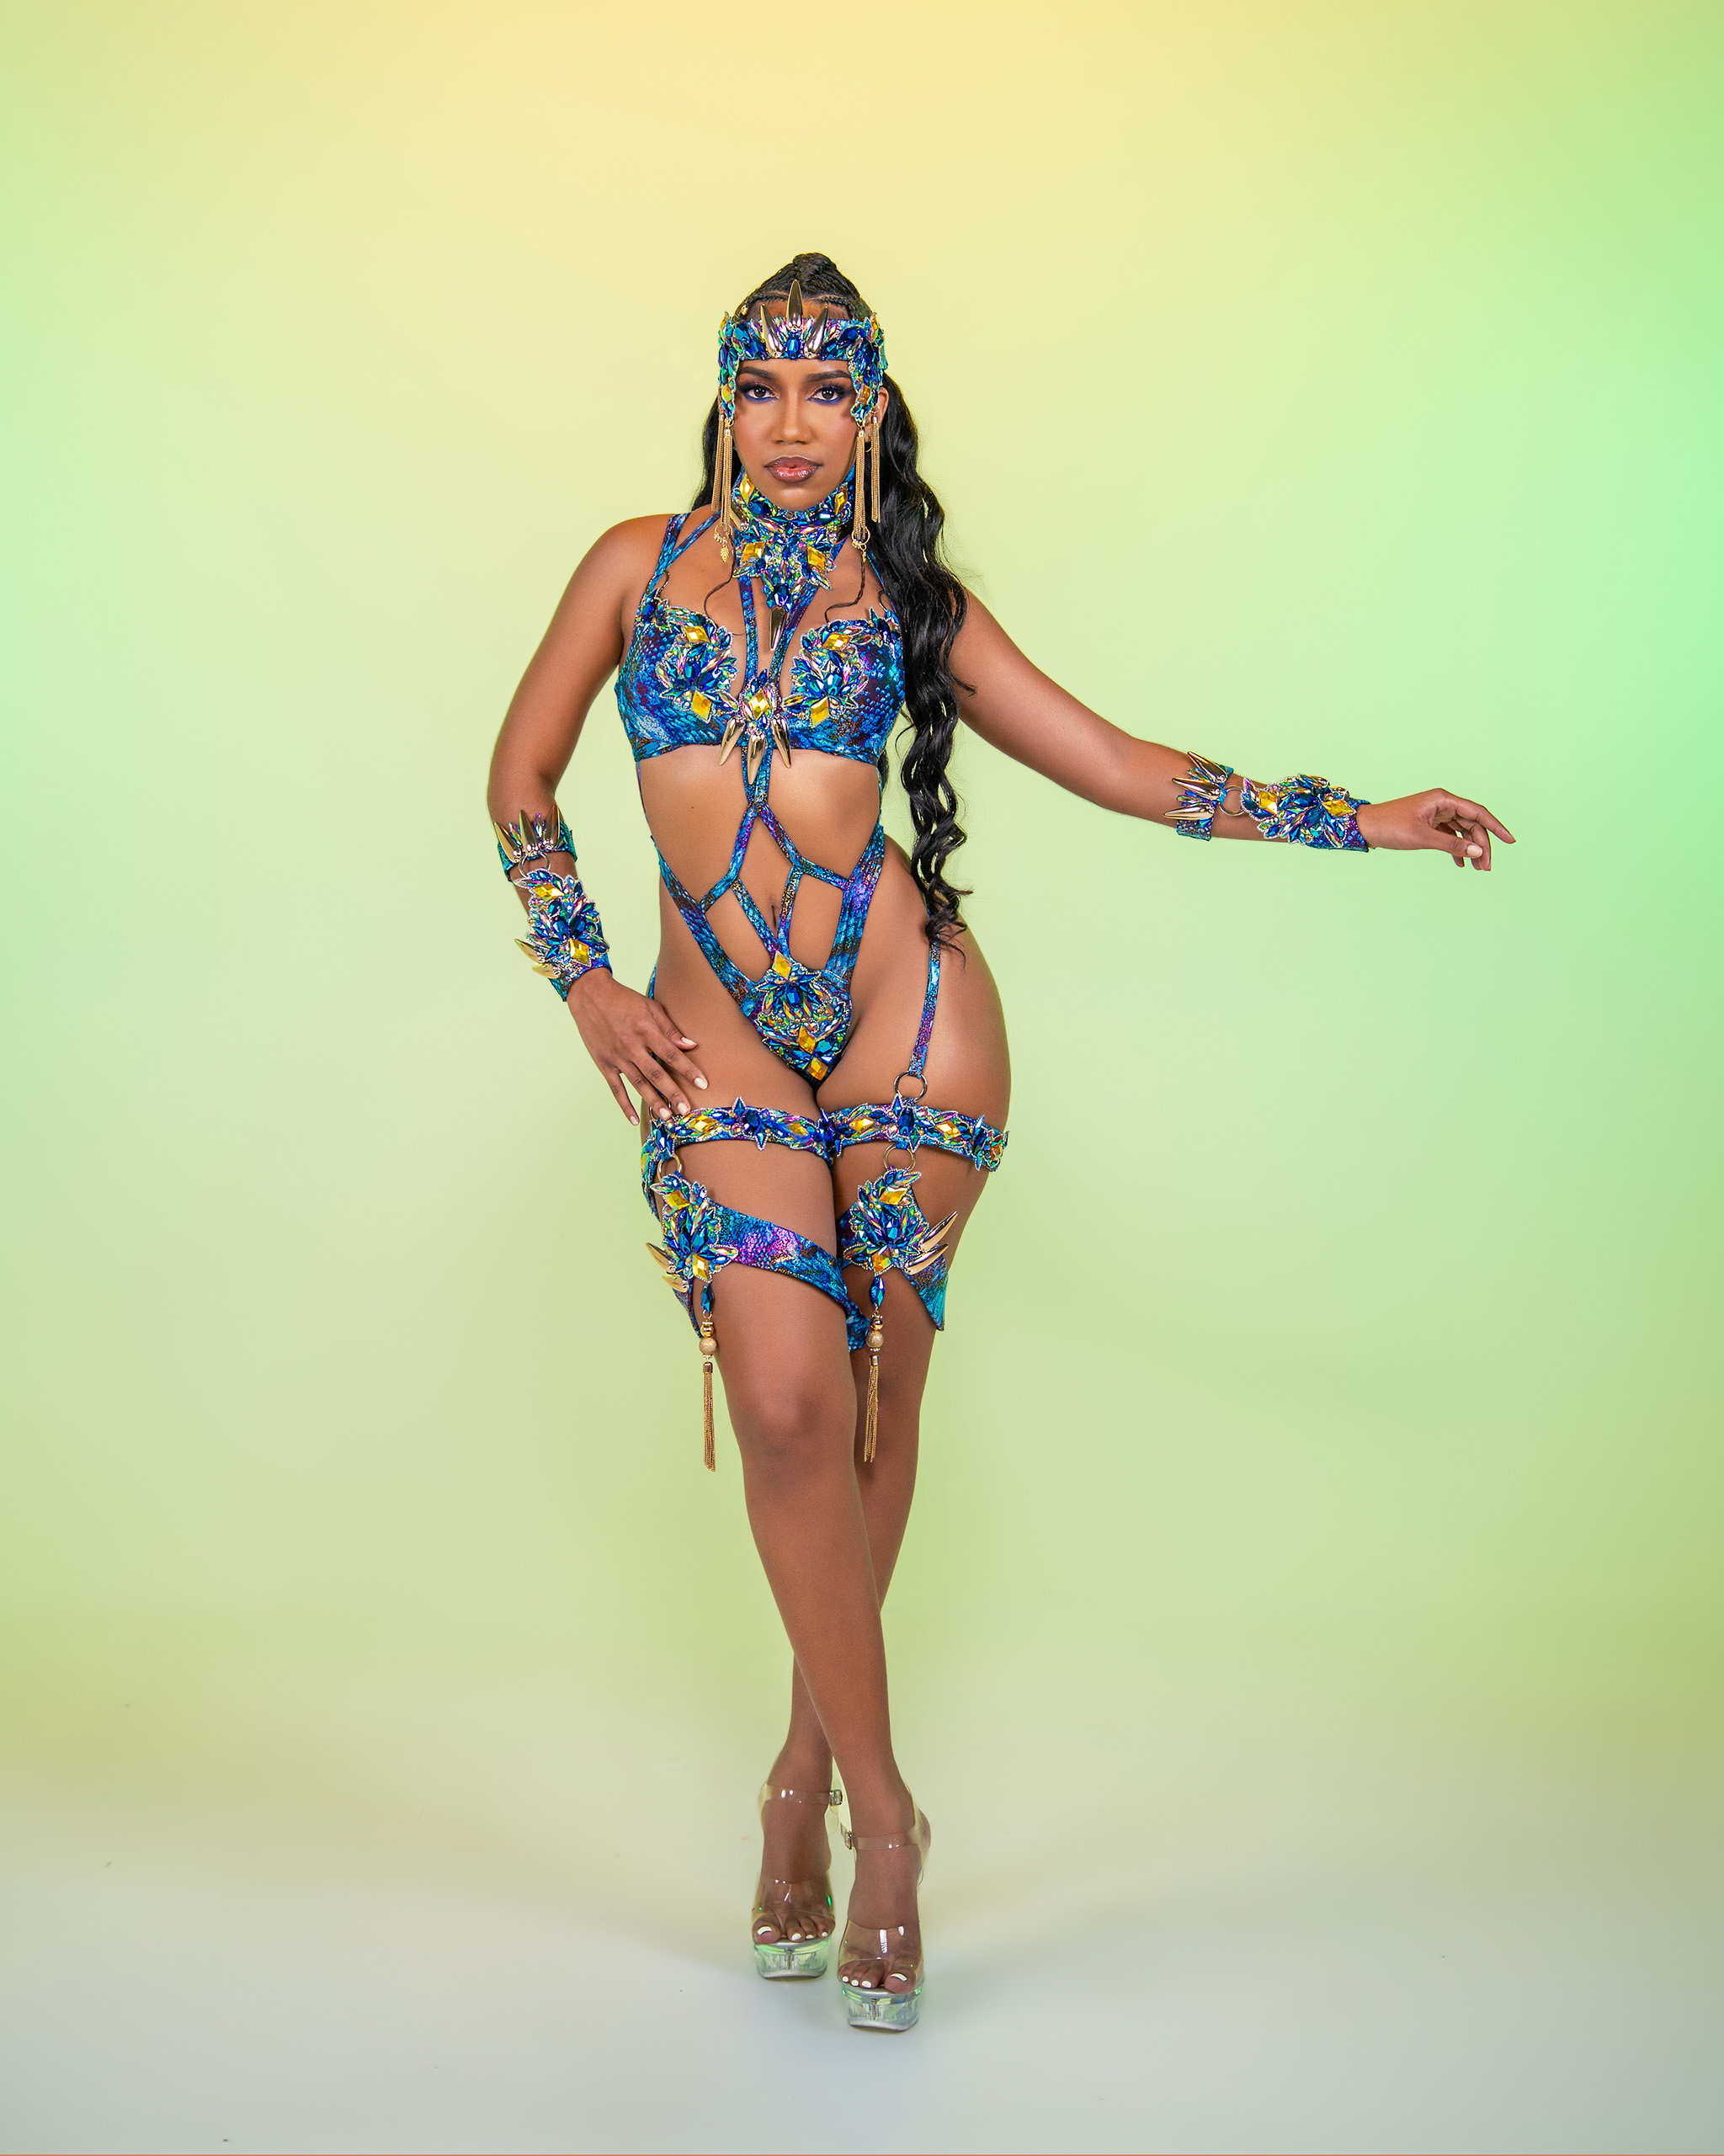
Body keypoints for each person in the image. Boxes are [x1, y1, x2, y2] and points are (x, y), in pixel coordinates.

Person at [485, 251, 1514, 2031]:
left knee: (870, 1410)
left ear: (873, 411)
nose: (792, 424)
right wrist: (583, 979)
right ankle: (873, 1801)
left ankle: (822, 1800)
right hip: (717, 1045)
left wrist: (1366, 817)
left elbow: (1115, 764)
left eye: (829, 391)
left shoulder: (910, 598)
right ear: (723, 400)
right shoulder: (632, 569)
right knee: (786, 1407)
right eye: (760, 387)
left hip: (914, 1025)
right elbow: (520, 778)